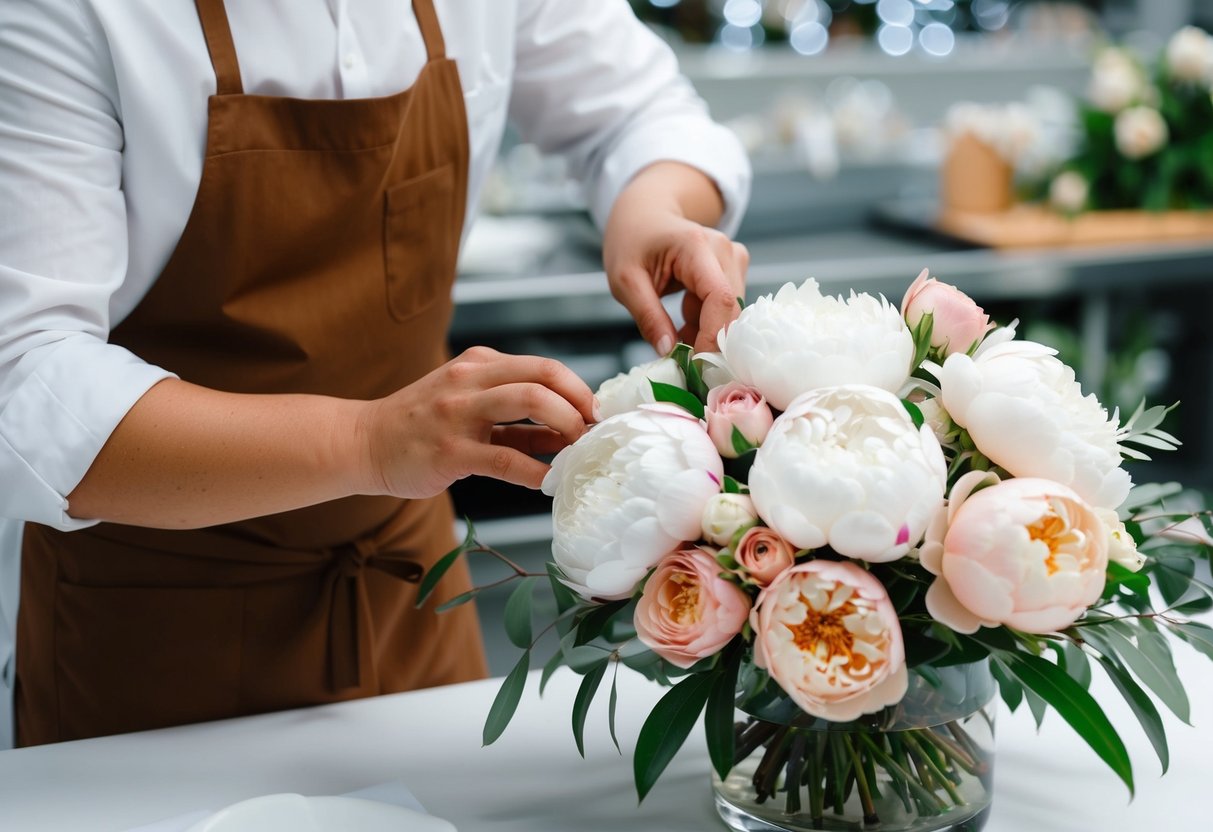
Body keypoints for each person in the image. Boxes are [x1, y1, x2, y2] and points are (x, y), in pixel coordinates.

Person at [0, 0, 751, 748]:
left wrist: (654, 210)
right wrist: (365, 442)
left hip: (409, 594)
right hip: (150, 632)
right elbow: (25, 380)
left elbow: (642, 112)